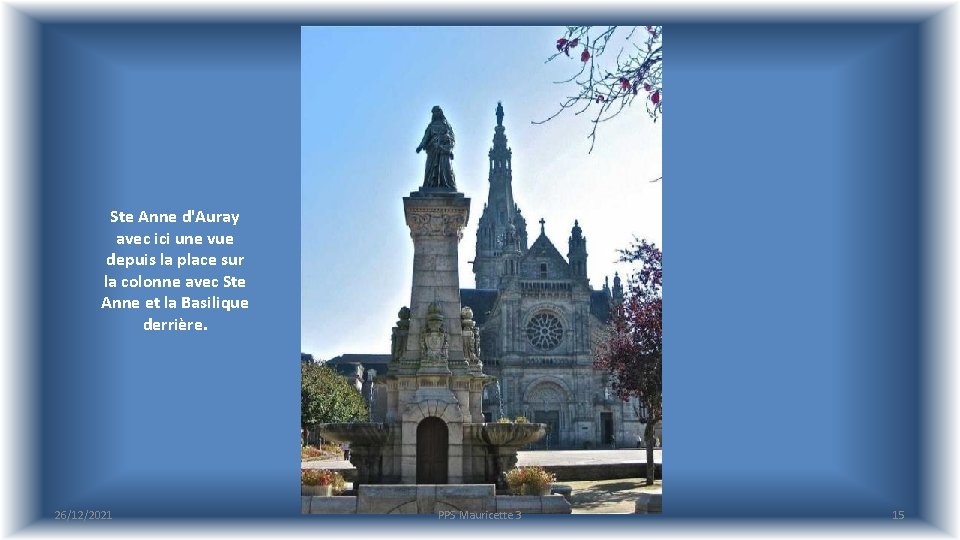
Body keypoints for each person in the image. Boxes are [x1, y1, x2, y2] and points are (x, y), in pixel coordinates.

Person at [415, 106, 457, 189]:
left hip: (444, 151)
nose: (436, 114)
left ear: (440, 112)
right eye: (434, 112)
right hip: (432, 150)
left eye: (437, 112)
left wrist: (447, 145)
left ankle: (448, 186)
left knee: (446, 169)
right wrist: (420, 146)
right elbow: (425, 138)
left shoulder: (446, 126)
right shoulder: (431, 126)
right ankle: (429, 185)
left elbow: (452, 138)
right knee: (429, 170)